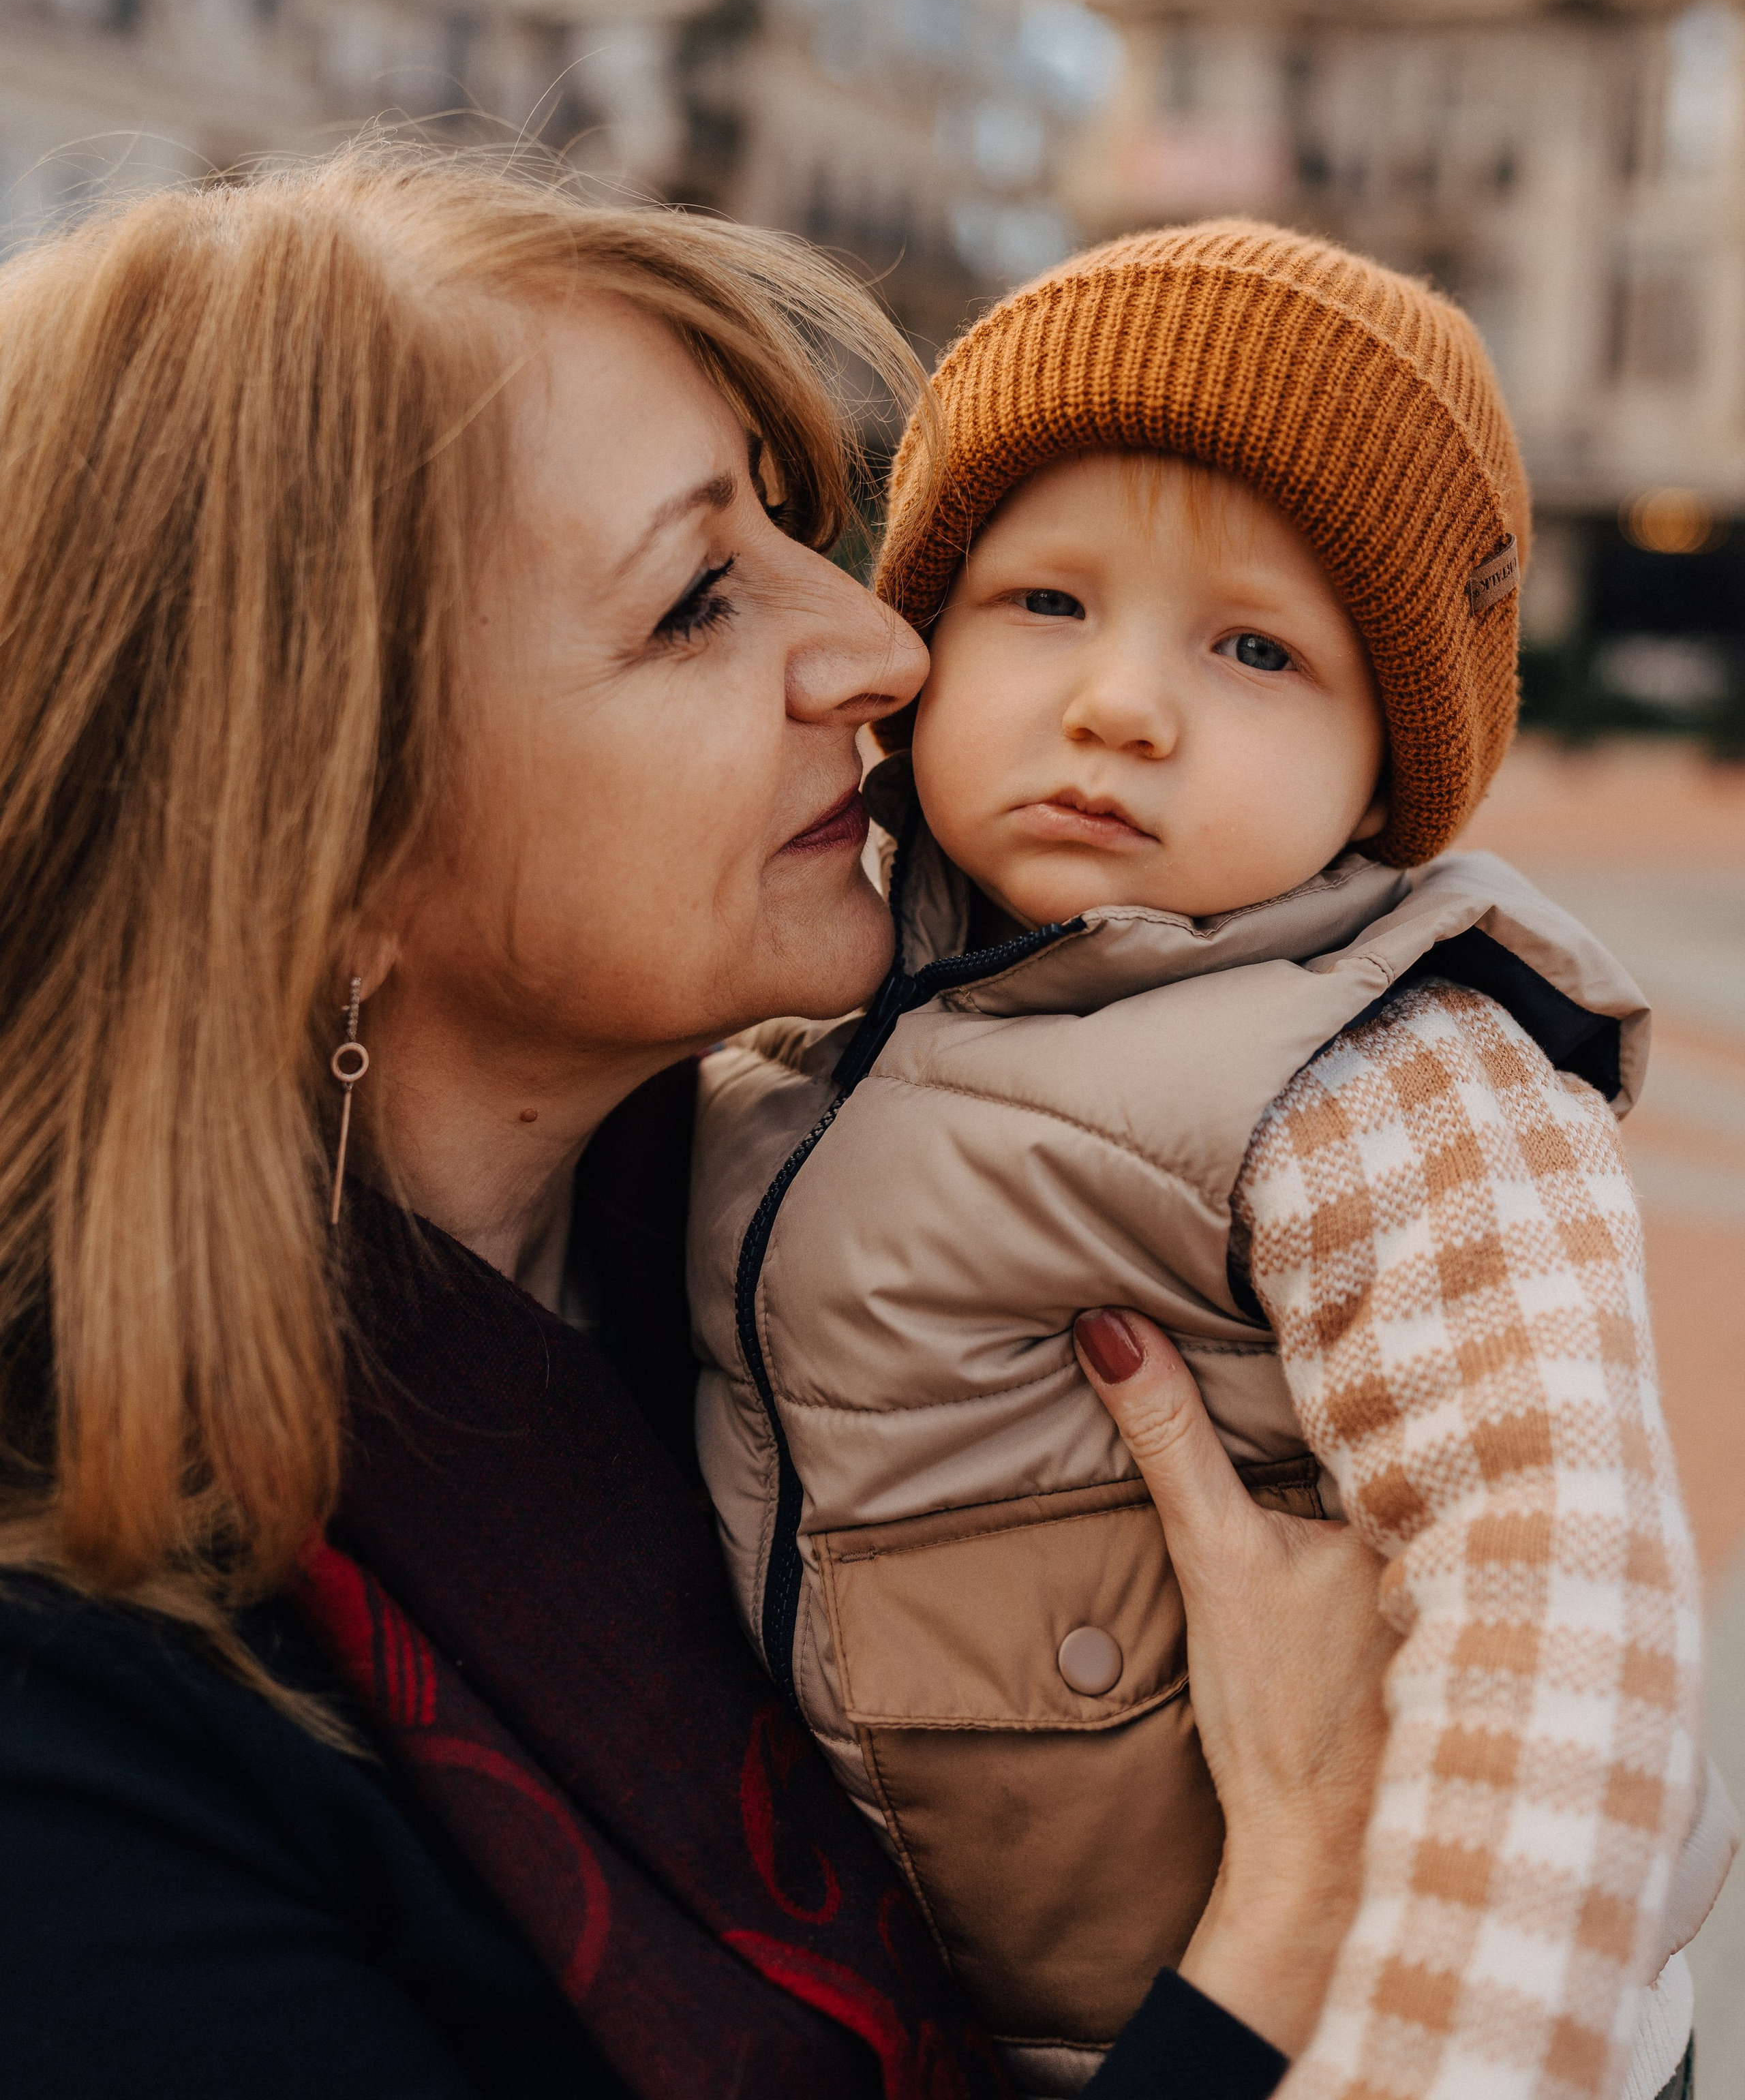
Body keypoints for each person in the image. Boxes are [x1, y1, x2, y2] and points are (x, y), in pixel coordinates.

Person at [0, 153, 1399, 2100]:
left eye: (792, 511)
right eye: (692, 602)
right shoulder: (76, 1741)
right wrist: (1303, 1905)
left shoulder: (824, 1211)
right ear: (321, 850)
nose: (885, 650)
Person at [688, 222, 1735, 2100]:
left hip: (1336, 2028)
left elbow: (1556, 1605)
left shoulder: (1376, 1067)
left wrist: (1446, 2065)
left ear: (1385, 763)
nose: (1123, 705)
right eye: (1046, 602)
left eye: (1255, 646)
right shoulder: (817, 1012)